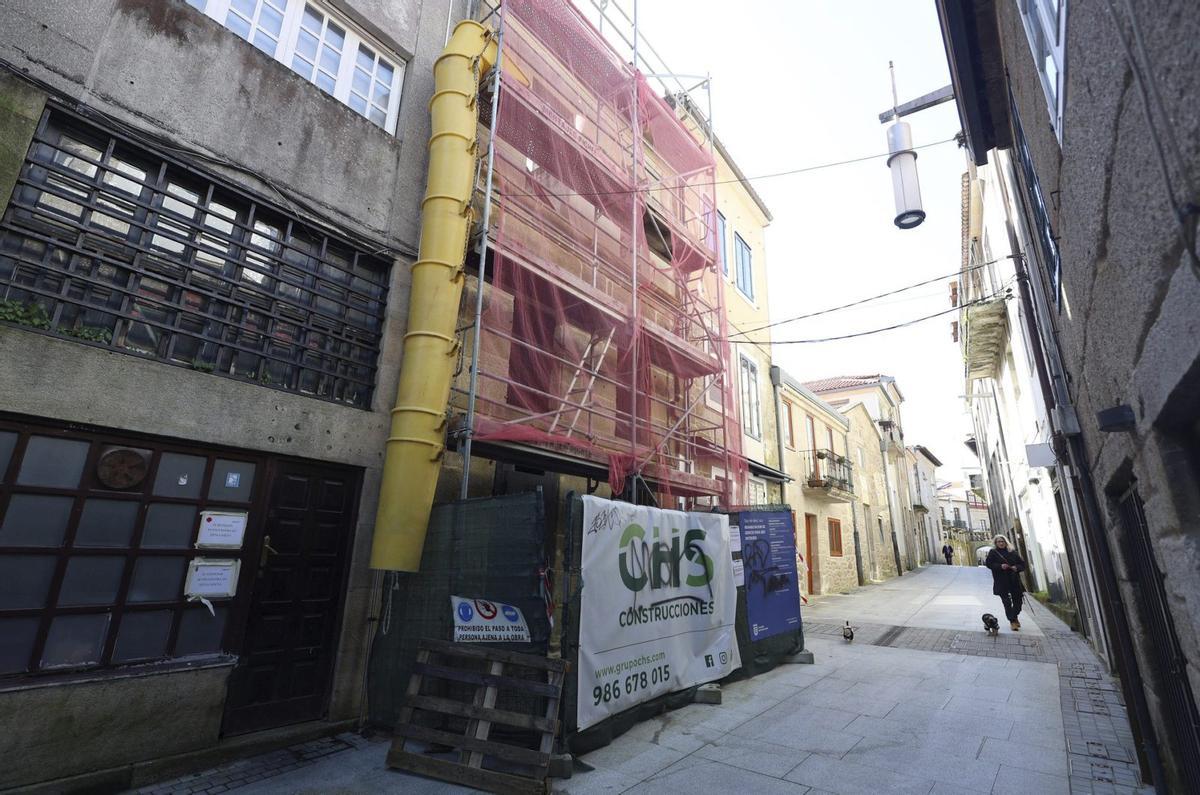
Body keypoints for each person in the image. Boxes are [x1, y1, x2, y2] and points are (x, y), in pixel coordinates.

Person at [985, 535, 1027, 631]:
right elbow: (989, 564)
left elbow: (1022, 564)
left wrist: (1017, 568)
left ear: (1006, 542)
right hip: (1001, 581)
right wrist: (1000, 566)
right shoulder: (993, 553)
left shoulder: (1012, 552)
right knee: (1007, 602)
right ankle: (1012, 621)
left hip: (1014, 581)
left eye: (1002, 541)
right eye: (999, 542)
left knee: (1018, 602)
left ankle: (1014, 616)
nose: (1001, 543)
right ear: (996, 543)